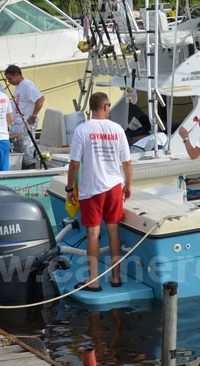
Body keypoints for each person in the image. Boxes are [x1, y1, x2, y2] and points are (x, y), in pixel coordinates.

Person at [65, 92, 132, 291]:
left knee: (93, 234)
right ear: (105, 107)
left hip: (91, 188)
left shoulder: (82, 130)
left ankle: (93, 280)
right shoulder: (117, 129)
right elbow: (127, 162)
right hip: (113, 187)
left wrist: (69, 188)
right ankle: (116, 277)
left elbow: (74, 164)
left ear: (91, 108)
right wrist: (128, 185)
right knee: (113, 231)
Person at [4, 64, 45, 166]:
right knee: (20, 154)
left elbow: (40, 99)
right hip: (17, 126)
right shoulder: (18, 87)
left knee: (28, 154)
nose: (9, 82)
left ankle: (31, 171)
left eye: (10, 79)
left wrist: (34, 115)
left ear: (17, 75)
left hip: (25, 125)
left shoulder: (26, 85)